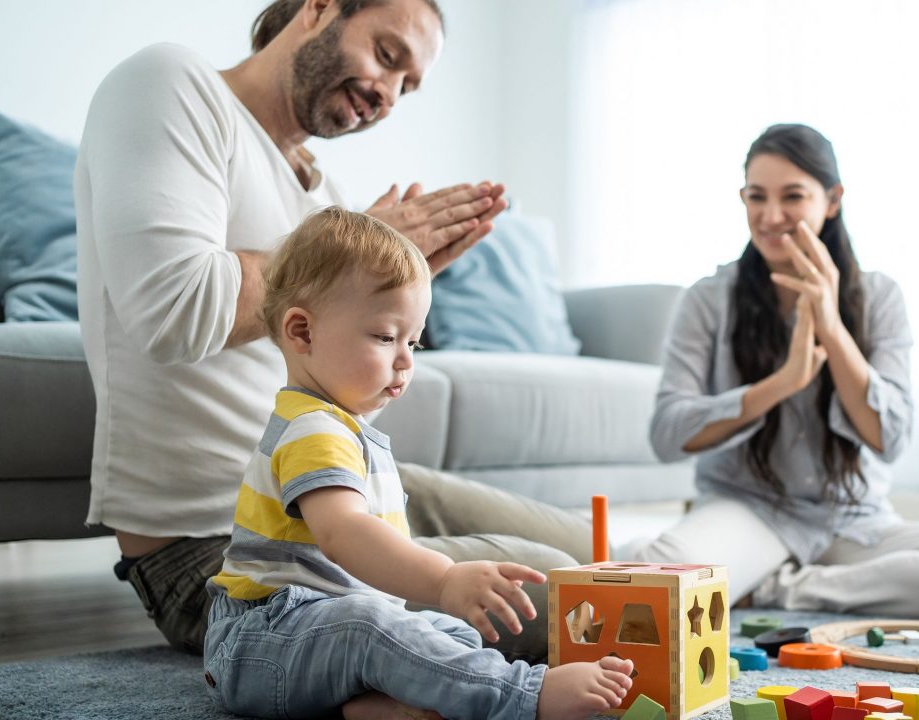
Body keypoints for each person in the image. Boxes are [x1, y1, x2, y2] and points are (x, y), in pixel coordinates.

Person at [75, 0, 591, 660]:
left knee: (590, 550)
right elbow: (170, 311)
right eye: (387, 54)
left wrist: (389, 285)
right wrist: (340, 269)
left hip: (335, 482)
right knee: (576, 595)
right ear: (318, 9)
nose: (390, 93)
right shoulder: (170, 83)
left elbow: (338, 379)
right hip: (227, 551)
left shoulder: (322, 195)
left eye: (407, 85)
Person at [203, 207, 632, 720]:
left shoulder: (345, 428)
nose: (407, 360)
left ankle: (370, 707)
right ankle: (525, 696)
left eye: (414, 341)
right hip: (260, 642)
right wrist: (445, 579)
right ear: (302, 333)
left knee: (448, 633)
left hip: (313, 637)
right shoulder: (312, 429)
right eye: (386, 337)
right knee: (373, 626)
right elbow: (343, 534)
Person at [630, 124, 919, 619]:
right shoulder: (707, 298)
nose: (770, 216)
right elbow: (666, 434)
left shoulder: (880, 297)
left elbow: (889, 437)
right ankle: (752, 574)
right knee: (646, 583)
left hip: (854, 522)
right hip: (748, 512)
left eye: (792, 196)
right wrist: (781, 384)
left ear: (832, 200)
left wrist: (831, 325)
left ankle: (784, 590)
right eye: (755, 197)